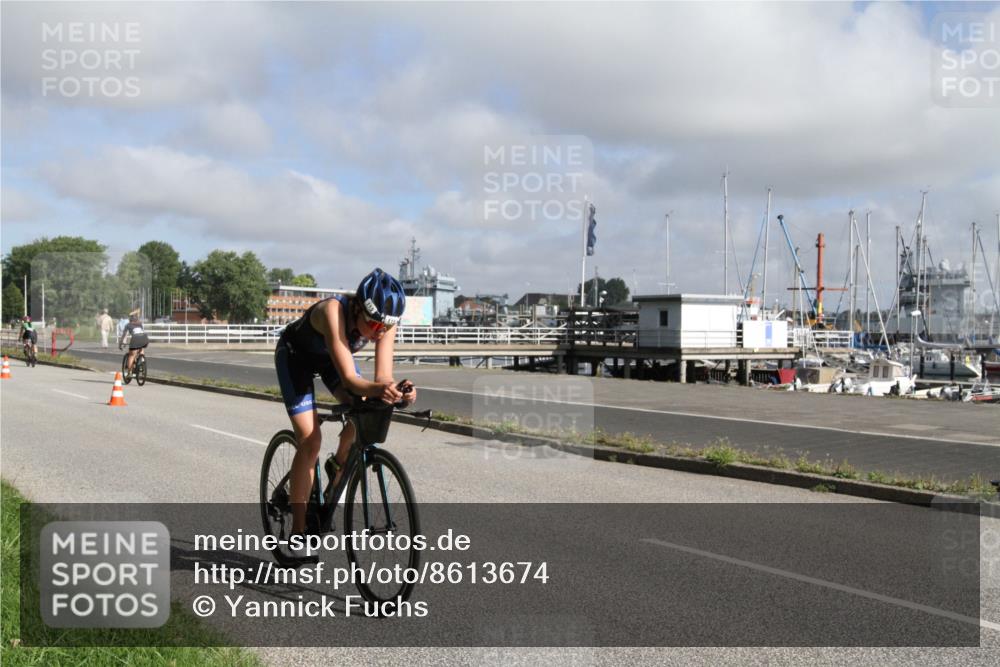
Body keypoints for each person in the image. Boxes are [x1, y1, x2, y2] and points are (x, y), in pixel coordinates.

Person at [274, 268, 415, 548]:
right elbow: (351, 379)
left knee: (367, 409)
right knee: (310, 440)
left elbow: (382, 378)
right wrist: (379, 390)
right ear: (359, 309)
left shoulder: (385, 322)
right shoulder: (332, 311)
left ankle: (336, 464)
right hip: (295, 359)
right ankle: (299, 531)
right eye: (374, 326)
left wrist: (398, 390)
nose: (380, 332)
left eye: (385, 328)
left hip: (330, 362)